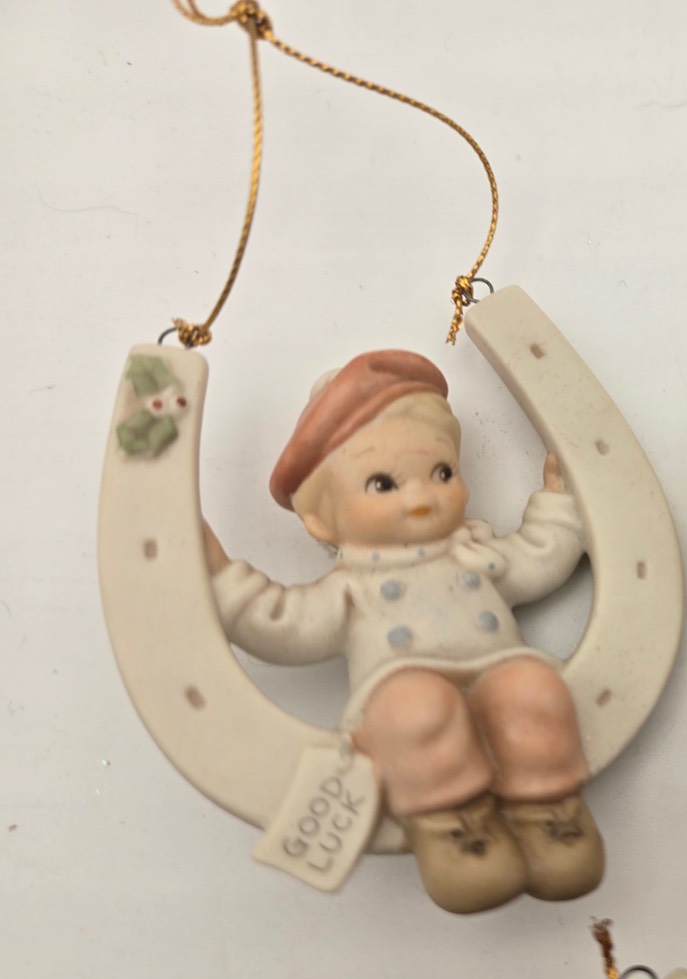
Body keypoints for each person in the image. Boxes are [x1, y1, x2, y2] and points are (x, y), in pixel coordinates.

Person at [203, 349, 599, 914]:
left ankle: (551, 814)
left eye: (442, 473)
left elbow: (538, 558)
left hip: (497, 673)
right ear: (321, 519)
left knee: (533, 690)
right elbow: (282, 622)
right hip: (402, 702)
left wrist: (560, 504)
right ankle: (453, 830)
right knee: (418, 710)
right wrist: (223, 582)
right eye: (384, 484)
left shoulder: (474, 555)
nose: (420, 497)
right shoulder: (352, 590)